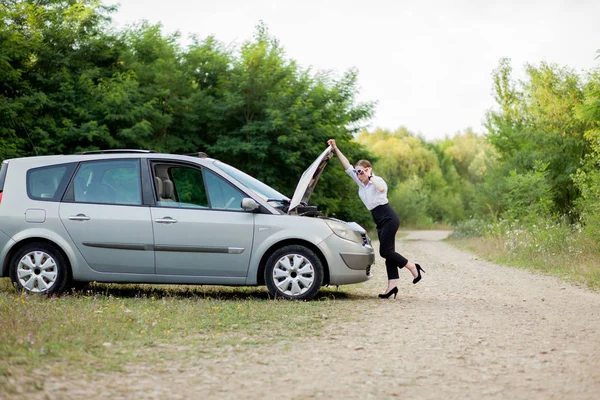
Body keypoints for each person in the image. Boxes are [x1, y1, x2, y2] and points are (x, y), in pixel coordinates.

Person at [327, 139, 425, 299]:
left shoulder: (376, 181)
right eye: (357, 172)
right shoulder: (361, 184)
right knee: (389, 253)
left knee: (385, 251)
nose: (358, 175)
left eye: (361, 172)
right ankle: (392, 286)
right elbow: (346, 165)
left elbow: (381, 188)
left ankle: (413, 267)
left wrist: (370, 176)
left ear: (368, 170)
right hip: (379, 220)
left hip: (389, 218)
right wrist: (335, 148)